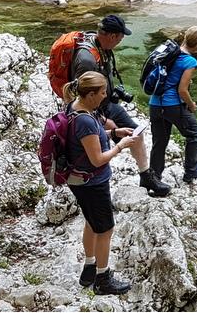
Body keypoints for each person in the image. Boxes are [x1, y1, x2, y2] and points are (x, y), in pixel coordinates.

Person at [71, 15, 171, 197]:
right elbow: (81, 97)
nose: (121, 40)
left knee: (136, 133)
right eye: (120, 37)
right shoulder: (87, 59)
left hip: (106, 104)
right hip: (93, 112)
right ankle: (95, 188)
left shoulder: (101, 48)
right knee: (101, 144)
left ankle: (146, 176)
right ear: (111, 36)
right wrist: (102, 120)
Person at [62, 71, 133, 295]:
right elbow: (98, 159)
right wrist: (121, 145)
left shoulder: (75, 107)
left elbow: (91, 139)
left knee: (91, 221)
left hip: (80, 180)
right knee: (106, 229)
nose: (105, 96)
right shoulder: (85, 120)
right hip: (93, 183)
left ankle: (89, 267)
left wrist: (114, 132)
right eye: (102, 92)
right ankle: (103, 279)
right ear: (91, 94)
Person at [149, 26, 197, 185]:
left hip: (155, 103)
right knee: (193, 134)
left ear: (184, 38)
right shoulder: (190, 61)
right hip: (172, 105)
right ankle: (191, 171)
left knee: (159, 142)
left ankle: (154, 178)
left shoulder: (169, 54)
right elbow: (182, 90)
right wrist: (192, 105)